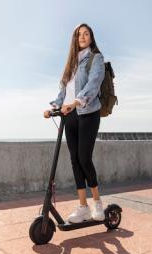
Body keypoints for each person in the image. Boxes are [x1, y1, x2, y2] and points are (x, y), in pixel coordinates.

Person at [43, 23, 105, 223]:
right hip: (69, 115)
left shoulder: (96, 58)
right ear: (75, 38)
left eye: (86, 34)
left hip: (87, 112)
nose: (83, 37)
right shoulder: (70, 63)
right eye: (79, 34)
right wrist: (54, 106)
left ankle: (97, 203)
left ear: (91, 37)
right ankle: (83, 207)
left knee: (84, 157)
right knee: (74, 160)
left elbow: (94, 83)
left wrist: (76, 102)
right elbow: (63, 90)